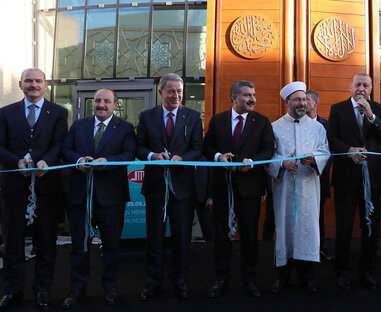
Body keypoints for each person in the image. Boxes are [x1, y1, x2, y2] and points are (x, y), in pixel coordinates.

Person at [60, 88, 136, 307]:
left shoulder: (126, 128)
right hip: (80, 197)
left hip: (111, 199)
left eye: (106, 101)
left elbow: (129, 154)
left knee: (112, 247)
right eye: (97, 101)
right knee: (79, 247)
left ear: (115, 105)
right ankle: (77, 290)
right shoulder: (79, 126)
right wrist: (79, 160)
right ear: (93, 103)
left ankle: (110, 287)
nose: (101, 105)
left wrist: (107, 162)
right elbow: (66, 149)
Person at [0, 68, 68, 309]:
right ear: (20, 84)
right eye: (28, 81)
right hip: (14, 190)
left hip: (47, 189)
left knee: (46, 242)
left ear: (46, 85)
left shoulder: (59, 113)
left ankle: (42, 290)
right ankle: (12, 290)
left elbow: (60, 144)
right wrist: (16, 161)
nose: (33, 85)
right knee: (12, 243)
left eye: (38, 81)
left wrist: (46, 162)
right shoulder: (5, 113)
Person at [203, 80, 274, 297]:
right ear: (233, 98)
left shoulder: (262, 121)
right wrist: (219, 157)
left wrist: (251, 162)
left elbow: (268, 150)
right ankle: (221, 279)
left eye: (253, 94)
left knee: (250, 237)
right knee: (222, 238)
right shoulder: (218, 120)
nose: (252, 99)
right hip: (223, 189)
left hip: (249, 189)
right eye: (246, 95)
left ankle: (249, 279)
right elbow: (207, 146)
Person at [136, 73, 203, 300]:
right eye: (171, 91)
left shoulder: (193, 117)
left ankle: (179, 281)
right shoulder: (147, 116)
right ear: (161, 92)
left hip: (182, 188)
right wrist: (152, 155)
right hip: (155, 188)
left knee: (181, 239)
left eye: (179, 92)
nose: (176, 96)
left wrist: (181, 158)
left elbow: (198, 148)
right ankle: (153, 282)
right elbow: (138, 147)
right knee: (154, 238)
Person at [327, 73, 381, 290]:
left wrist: (372, 116)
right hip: (346, 177)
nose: (361, 88)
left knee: (370, 229)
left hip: (372, 179)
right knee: (344, 228)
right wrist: (349, 151)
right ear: (350, 87)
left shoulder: (378, 109)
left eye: (366, 85)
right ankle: (342, 272)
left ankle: (367, 271)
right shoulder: (338, 109)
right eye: (358, 85)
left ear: (371, 88)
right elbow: (331, 139)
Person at [267, 82, 330, 293]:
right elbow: (269, 155)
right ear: (287, 102)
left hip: (309, 187)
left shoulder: (317, 127)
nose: (302, 103)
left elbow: (325, 151)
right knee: (284, 229)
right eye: (297, 100)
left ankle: (307, 276)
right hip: (284, 187)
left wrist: (314, 159)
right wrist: (283, 163)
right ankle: (282, 276)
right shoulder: (275, 127)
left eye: (304, 99)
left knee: (308, 230)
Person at [306, 89, 334, 261]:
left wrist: (318, 165)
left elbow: (330, 152)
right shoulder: (293, 123)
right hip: (298, 177)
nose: (304, 103)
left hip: (319, 176)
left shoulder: (326, 125)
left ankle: (319, 247)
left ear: (316, 103)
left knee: (318, 215)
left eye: (307, 100)